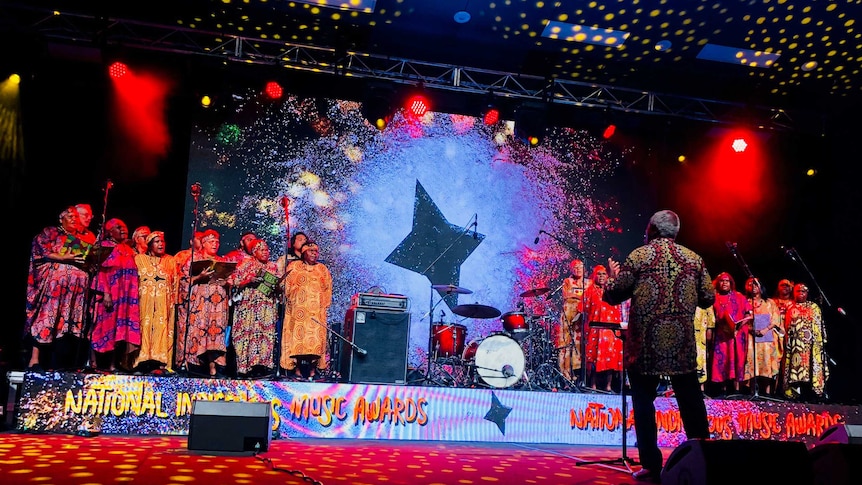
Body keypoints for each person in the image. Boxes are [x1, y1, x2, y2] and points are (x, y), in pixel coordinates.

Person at [604, 209, 714, 483]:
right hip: (681, 344)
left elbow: (614, 294)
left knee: (643, 402)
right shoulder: (694, 259)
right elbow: (708, 298)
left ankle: (651, 465)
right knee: (691, 401)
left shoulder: (639, 256)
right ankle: (704, 459)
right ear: (676, 232)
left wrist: (608, 279)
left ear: (651, 229)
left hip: (645, 344)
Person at [24, 207, 90, 370]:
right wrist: (63, 257)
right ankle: (35, 360)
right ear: (61, 219)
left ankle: (64, 364)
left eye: (76, 217)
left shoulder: (79, 239)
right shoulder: (51, 232)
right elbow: (41, 249)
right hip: (54, 289)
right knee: (48, 320)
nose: (74, 219)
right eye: (70, 216)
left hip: (74, 293)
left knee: (67, 326)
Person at [176, 229, 231, 378]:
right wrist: (199, 277)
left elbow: (232, 281)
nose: (215, 244)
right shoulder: (194, 259)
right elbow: (183, 281)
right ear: (204, 243)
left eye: (217, 242)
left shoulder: (223, 261)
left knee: (216, 337)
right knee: (200, 334)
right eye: (212, 242)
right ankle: (198, 368)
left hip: (218, 307)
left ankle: (216, 368)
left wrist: (226, 282)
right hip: (200, 306)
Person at [89, 218, 141, 372]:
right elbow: (101, 271)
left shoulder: (127, 249)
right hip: (110, 294)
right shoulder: (104, 247)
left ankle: (113, 364)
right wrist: (105, 293)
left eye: (124, 226)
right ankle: (93, 363)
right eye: (118, 227)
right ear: (110, 231)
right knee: (102, 327)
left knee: (119, 331)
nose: (123, 229)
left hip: (125, 297)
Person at [229, 238, 282, 378]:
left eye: (267, 250)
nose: (266, 252)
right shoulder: (246, 264)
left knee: (265, 336)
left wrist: (278, 286)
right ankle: (245, 367)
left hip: (267, 307)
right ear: (254, 252)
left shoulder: (273, 266)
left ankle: (262, 366)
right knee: (248, 334)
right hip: (249, 306)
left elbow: (279, 287)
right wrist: (249, 280)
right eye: (262, 250)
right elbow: (234, 281)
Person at [280, 241, 332, 380]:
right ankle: (297, 370)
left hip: (316, 313)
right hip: (298, 312)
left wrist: (324, 306)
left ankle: (312, 371)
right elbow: (287, 286)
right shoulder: (294, 266)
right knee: (297, 342)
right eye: (311, 251)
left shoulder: (322, 269)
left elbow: (327, 289)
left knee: (315, 343)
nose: (314, 254)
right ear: (303, 253)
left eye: (316, 251)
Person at [133, 231, 178, 374]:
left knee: (161, 329)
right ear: (149, 245)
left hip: (163, 304)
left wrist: (175, 302)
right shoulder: (139, 259)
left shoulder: (170, 260)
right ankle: (140, 362)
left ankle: (160, 363)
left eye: (162, 241)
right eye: (157, 241)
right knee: (143, 328)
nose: (161, 244)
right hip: (143, 302)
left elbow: (176, 281)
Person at [781, 283, 828, 401]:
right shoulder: (790, 307)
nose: (801, 294)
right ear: (794, 293)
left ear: (807, 293)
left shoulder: (813, 307)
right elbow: (786, 327)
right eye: (798, 291)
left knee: (810, 369)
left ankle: (812, 394)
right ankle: (797, 393)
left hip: (811, 346)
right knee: (797, 371)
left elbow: (819, 326)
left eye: (803, 291)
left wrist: (819, 342)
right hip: (795, 346)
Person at [707, 272, 752, 396]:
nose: (725, 283)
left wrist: (738, 326)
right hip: (722, 335)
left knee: (737, 359)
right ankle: (723, 389)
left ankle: (736, 390)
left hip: (737, 334)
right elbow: (709, 316)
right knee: (722, 360)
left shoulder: (740, 297)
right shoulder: (714, 298)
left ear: (731, 283)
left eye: (727, 281)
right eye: (722, 281)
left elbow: (749, 315)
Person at [582, 264, 624, 392]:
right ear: (594, 276)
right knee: (594, 358)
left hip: (611, 329)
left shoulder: (612, 289)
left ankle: (608, 386)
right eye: (598, 274)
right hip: (596, 329)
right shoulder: (590, 290)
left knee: (611, 357)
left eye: (603, 274)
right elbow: (584, 308)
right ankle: (593, 385)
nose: (601, 276)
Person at [743, 277, 783, 396]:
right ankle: (751, 392)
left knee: (766, 363)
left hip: (766, 337)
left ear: (761, 286)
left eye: (756, 284)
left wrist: (765, 329)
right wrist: (751, 329)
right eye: (750, 284)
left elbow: (776, 319)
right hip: (751, 337)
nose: (753, 286)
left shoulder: (770, 303)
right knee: (751, 363)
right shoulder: (746, 302)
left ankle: (767, 392)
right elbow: (743, 320)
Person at [556, 258, 591, 386]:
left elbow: (590, 297)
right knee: (566, 344)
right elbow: (566, 295)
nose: (578, 269)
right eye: (575, 267)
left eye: (580, 267)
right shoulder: (567, 281)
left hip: (582, 316)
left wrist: (575, 295)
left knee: (580, 345)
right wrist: (580, 296)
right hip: (568, 316)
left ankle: (579, 376)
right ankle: (566, 374)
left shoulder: (589, 283)